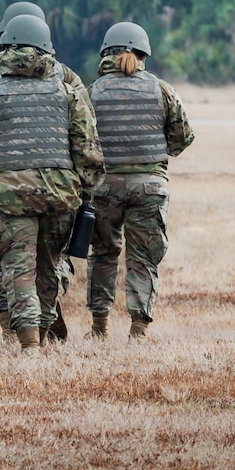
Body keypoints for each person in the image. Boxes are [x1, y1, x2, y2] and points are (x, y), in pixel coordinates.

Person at [0, 13, 102, 352]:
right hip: (59, 195)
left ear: (4, 46)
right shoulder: (68, 90)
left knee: (18, 268)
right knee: (48, 268)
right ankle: (42, 334)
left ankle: (29, 343)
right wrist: (84, 190)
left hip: (8, 196)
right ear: (47, 47)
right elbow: (88, 151)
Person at [84, 21, 193, 338]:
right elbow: (183, 137)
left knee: (103, 254)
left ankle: (99, 327)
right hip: (150, 186)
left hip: (105, 187)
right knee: (142, 258)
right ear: (144, 53)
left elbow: (82, 139)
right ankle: (138, 329)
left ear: (107, 53)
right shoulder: (161, 89)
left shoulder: (94, 91)